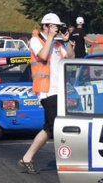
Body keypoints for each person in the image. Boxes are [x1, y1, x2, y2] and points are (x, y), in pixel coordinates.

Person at [20, 13, 72, 174]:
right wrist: (50, 37)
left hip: (59, 90)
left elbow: (71, 58)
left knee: (49, 128)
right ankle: (68, 159)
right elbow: (42, 55)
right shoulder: (36, 40)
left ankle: (27, 158)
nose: (57, 30)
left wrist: (66, 41)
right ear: (45, 26)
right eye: (54, 27)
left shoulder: (57, 43)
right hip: (46, 91)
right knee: (58, 127)